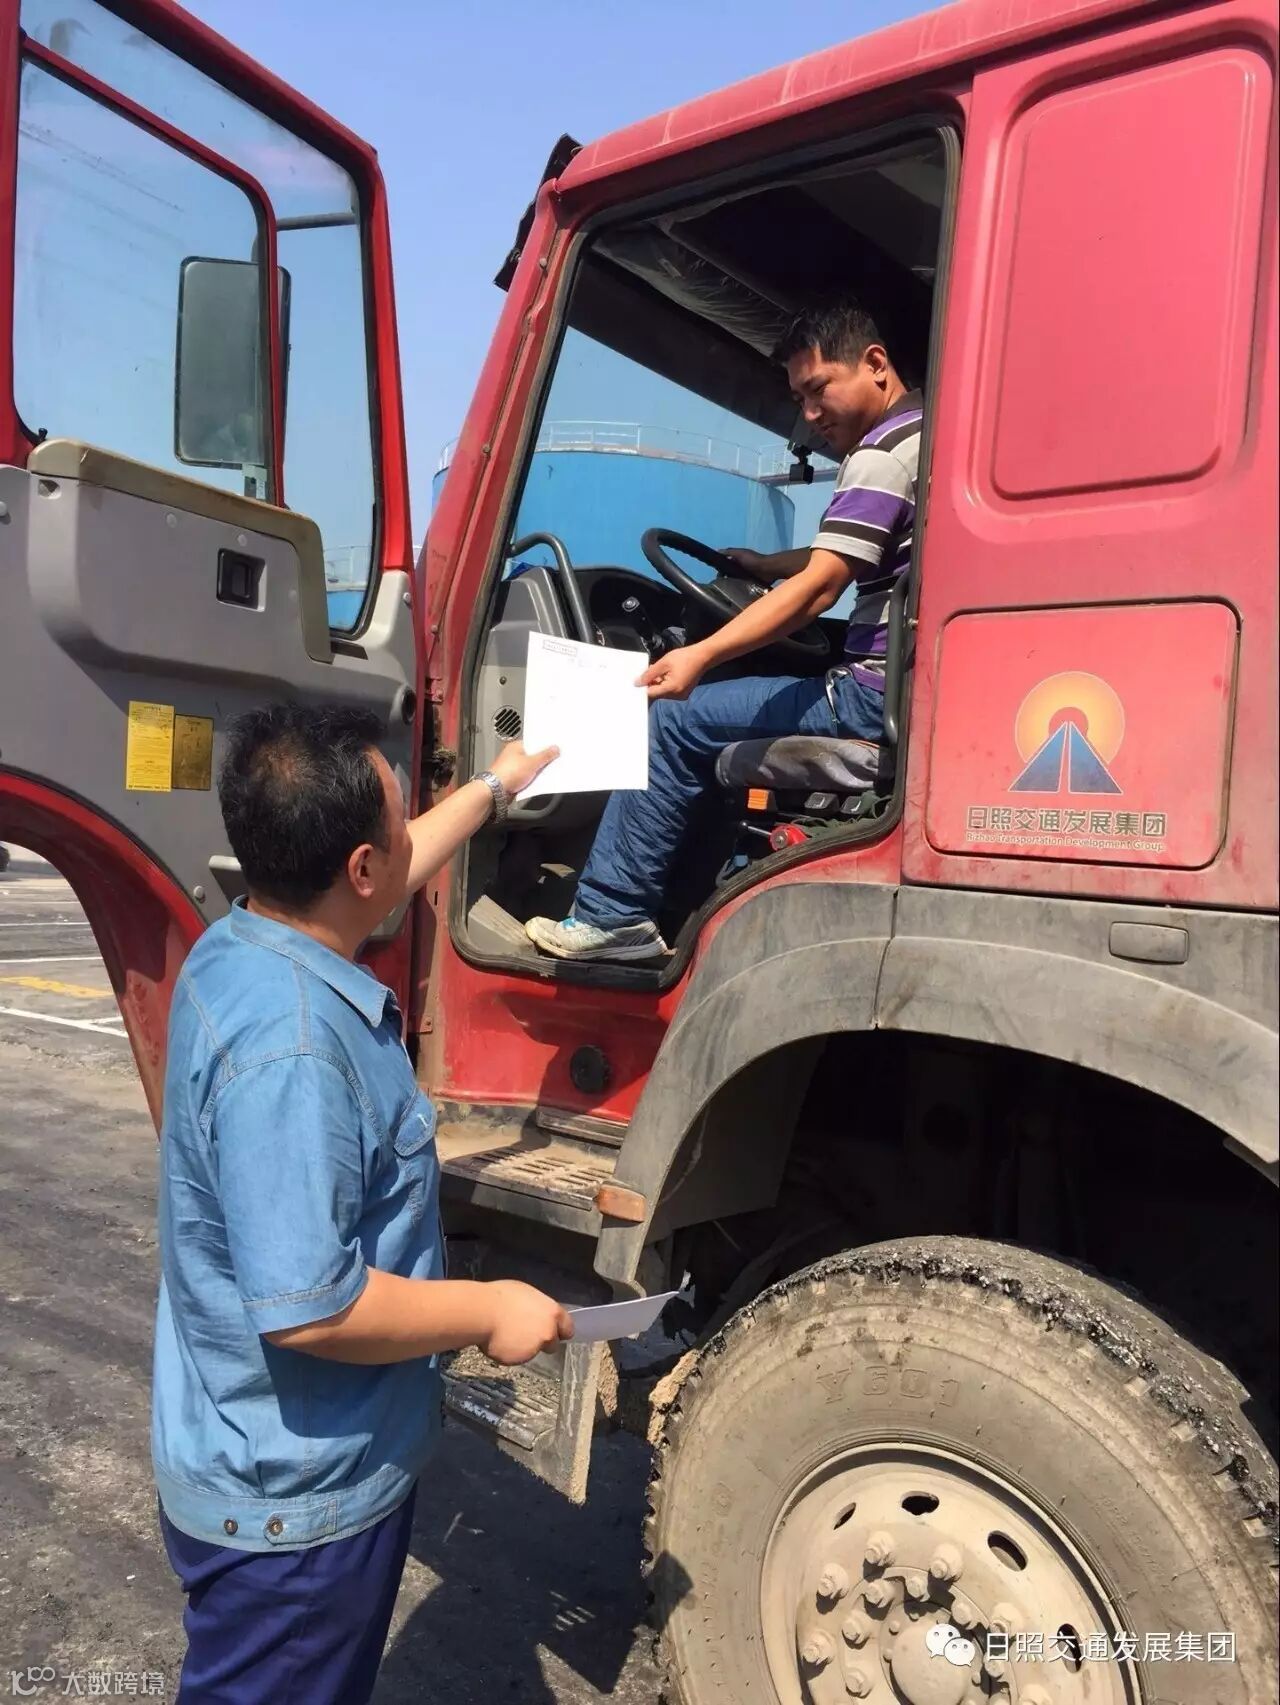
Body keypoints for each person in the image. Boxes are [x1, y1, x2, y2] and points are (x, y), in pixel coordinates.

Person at [152, 703, 566, 1703]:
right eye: (396, 820)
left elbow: (392, 868)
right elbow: (312, 1307)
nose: (408, 831)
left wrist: (499, 783)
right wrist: (489, 1308)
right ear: (359, 869)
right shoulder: (295, 1049)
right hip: (295, 1511)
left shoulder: (243, 939)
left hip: (252, 1451)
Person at [526, 297, 923, 963]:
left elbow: (820, 587)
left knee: (674, 722)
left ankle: (611, 916)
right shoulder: (924, 437)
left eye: (818, 389)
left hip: (866, 696)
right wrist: (765, 565)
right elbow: (841, 552)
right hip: (902, 690)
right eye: (799, 399)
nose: (810, 414)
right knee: (713, 729)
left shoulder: (879, 455)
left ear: (875, 364)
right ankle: (692, 907)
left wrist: (701, 655)